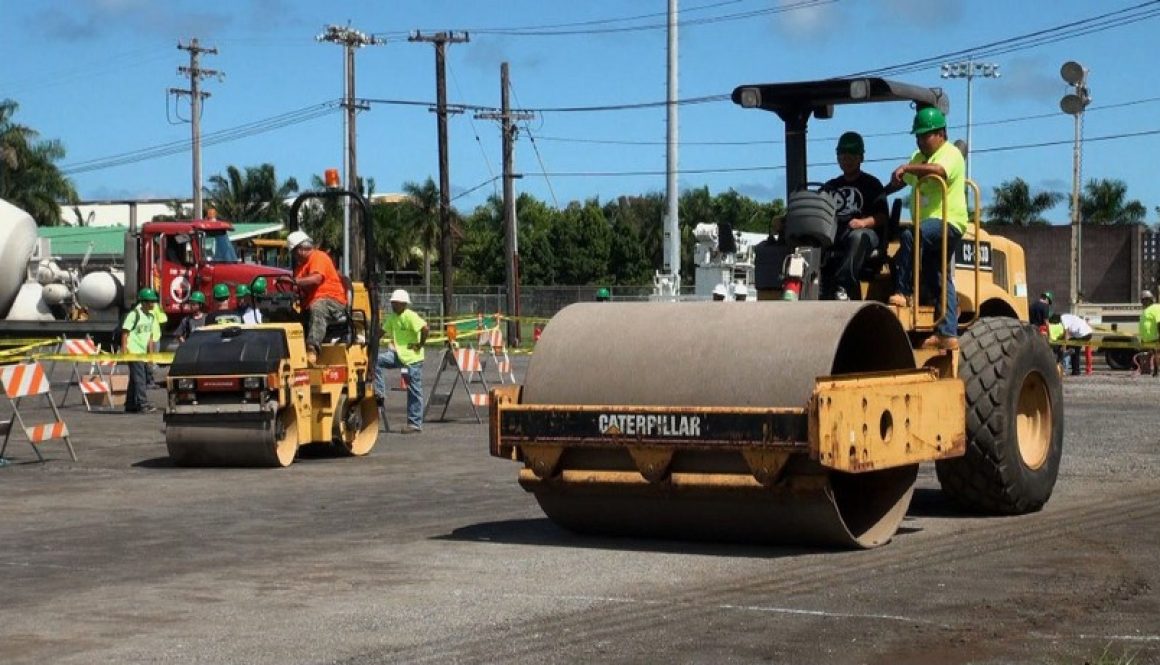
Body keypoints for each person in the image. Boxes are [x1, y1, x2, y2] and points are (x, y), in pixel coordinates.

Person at [884, 106, 968, 350]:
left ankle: (903, 292)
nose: (920, 141)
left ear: (940, 134)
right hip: (929, 224)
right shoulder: (919, 158)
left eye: (924, 135)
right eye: (917, 136)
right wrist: (884, 190)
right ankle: (947, 333)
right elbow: (903, 181)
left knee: (911, 235)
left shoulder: (950, 154)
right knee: (939, 277)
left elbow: (938, 171)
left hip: (948, 221)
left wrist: (907, 168)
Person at [822, 131, 889, 300]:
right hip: (837, 234)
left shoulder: (872, 184)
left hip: (865, 234)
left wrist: (863, 222)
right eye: (843, 155)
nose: (847, 159)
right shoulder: (831, 186)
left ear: (861, 158)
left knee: (859, 237)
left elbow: (882, 216)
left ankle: (844, 284)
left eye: (852, 155)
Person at [288, 231, 348, 364]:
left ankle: (312, 350)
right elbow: (299, 287)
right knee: (289, 314)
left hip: (333, 301)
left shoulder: (318, 257)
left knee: (318, 307)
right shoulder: (300, 268)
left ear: (301, 249)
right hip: (311, 303)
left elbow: (316, 279)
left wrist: (295, 282)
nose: (294, 255)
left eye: (294, 251)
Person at [375, 289, 429, 433]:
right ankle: (379, 392)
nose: (393, 305)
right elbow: (381, 332)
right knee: (376, 360)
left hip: (413, 359)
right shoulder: (392, 317)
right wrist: (371, 342)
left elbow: (425, 329)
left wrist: (420, 344)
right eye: (392, 303)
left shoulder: (410, 316)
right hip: (398, 355)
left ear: (404, 304)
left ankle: (415, 424)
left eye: (395, 303)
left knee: (414, 390)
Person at [121, 288, 159, 413]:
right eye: (149, 302)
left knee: (134, 379)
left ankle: (130, 404)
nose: (152, 304)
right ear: (142, 302)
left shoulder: (151, 317)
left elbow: (149, 338)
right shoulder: (134, 314)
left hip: (142, 353)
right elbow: (125, 333)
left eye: (153, 301)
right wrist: (124, 350)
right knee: (140, 379)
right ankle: (142, 404)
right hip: (133, 351)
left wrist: (150, 355)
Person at [1138, 290, 1160, 377]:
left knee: (1156, 354)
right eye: (1142, 300)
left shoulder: (1156, 308)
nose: (1142, 302)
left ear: (1149, 300)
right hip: (1148, 338)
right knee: (1150, 354)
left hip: (1155, 337)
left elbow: (1159, 322)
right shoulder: (1147, 309)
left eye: (1143, 300)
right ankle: (1147, 371)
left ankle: (1156, 372)